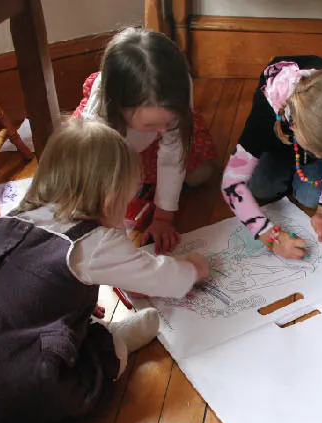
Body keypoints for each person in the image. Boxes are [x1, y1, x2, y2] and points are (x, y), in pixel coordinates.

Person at [0, 119, 210, 423]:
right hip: (6, 392)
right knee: (97, 361)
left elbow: (25, 289)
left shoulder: (13, 219)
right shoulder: (94, 241)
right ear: (110, 197)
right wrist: (193, 269)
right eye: (128, 196)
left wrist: (71, 300)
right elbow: (162, 278)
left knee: (63, 328)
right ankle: (115, 343)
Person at [73, 27, 219, 254]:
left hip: (148, 147)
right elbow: (98, 171)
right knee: (99, 190)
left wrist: (163, 218)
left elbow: (173, 153)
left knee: (201, 174)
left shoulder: (177, 90)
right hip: (116, 147)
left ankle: (148, 185)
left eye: (166, 121)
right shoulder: (100, 115)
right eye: (151, 124)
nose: (161, 130)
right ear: (118, 105)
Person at [220, 56, 322, 259]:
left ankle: (308, 167)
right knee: (260, 187)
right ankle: (296, 165)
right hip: (276, 146)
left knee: (312, 197)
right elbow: (231, 182)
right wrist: (269, 236)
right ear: (295, 126)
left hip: (314, 139)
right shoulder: (266, 109)